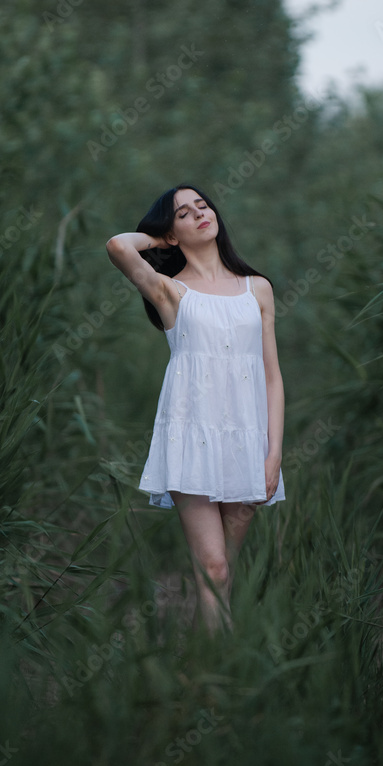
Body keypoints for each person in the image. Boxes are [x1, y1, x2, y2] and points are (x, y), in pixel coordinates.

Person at [105, 183, 285, 635]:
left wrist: (274, 454)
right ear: (172, 232)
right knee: (214, 567)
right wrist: (157, 238)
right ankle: (214, 684)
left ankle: (214, 673)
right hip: (191, 438)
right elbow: (118, 246)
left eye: (202, 205)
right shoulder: (169, 291)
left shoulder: (256, 289)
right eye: (183, 213)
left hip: (247, 441)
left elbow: (272, 378)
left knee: (226, 569)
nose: (199, 214)